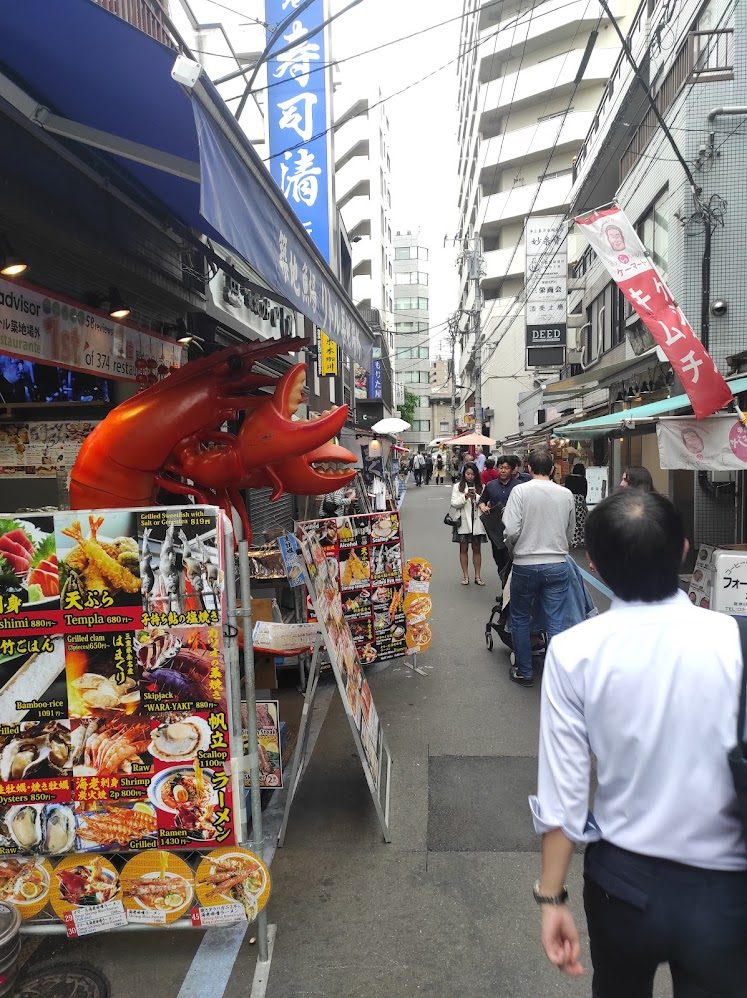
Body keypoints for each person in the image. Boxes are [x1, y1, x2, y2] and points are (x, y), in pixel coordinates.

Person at [530, 489, 747, 995]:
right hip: (726, 890)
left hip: (622, 886)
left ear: (596, 567)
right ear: (685, 551)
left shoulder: (573, 652)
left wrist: (551, 899)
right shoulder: (736, 639)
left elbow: (562, 794)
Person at [502, 449, 575, 687]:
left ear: (528, 468)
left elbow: (511, 530)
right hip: (557, 563)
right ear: (553, 469)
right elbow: (570, 532)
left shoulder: (520, 491)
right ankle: (557, 676)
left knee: (521, 617)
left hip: (525, 563)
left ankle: (525, 671)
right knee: (557, 620)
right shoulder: (566, 494)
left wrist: (514, 549)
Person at [479, 456, 528, 587]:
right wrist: (483, 507)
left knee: (511, 559)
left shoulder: (519, 486)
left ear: (512, 470)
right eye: (501, 467)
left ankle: (507, 591)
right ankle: (505, 585)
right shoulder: (491, 485)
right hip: (496, 528)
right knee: (499, 558)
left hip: (514, 528)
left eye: (506, 468)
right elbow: (482, 500)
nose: (503, 470)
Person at [450, 461, 487, 586]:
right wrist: (465, 497)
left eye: (472, 474)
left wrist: (475, 496)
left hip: (477, 521)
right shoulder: (457, 487)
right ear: (464, 474)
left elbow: (484, 503)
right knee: (463, 549)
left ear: (476, 474)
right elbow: (454, 503)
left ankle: (477, 576)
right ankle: (465, 576)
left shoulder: (481, 486)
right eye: (467, 474)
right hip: (463, 521)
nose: (470, 476)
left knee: (477, 549)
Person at [563, 464, 588, 550]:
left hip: (570, 501)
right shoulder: (583, 480)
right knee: (580, 522)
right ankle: (580, 540)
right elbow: (585, 494)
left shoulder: (568, 478)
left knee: (571, 522)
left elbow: (566, 490)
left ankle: (571, 541)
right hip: (580, 504)